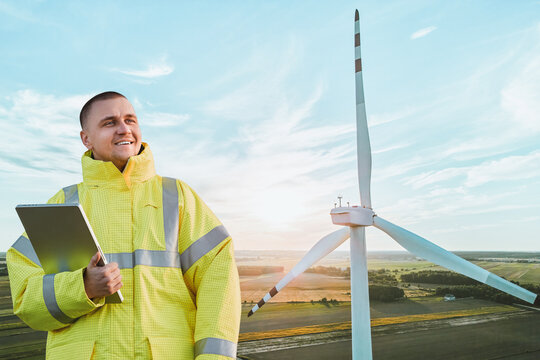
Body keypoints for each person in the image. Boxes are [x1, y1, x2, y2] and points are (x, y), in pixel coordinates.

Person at [7, 91, 241, 359]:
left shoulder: (178, 197)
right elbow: (26, 298)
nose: (123, 129)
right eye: (109, 123)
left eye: (130, 120)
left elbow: (218, 283)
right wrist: (82, 287)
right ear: (86, 139)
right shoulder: (63, 203)